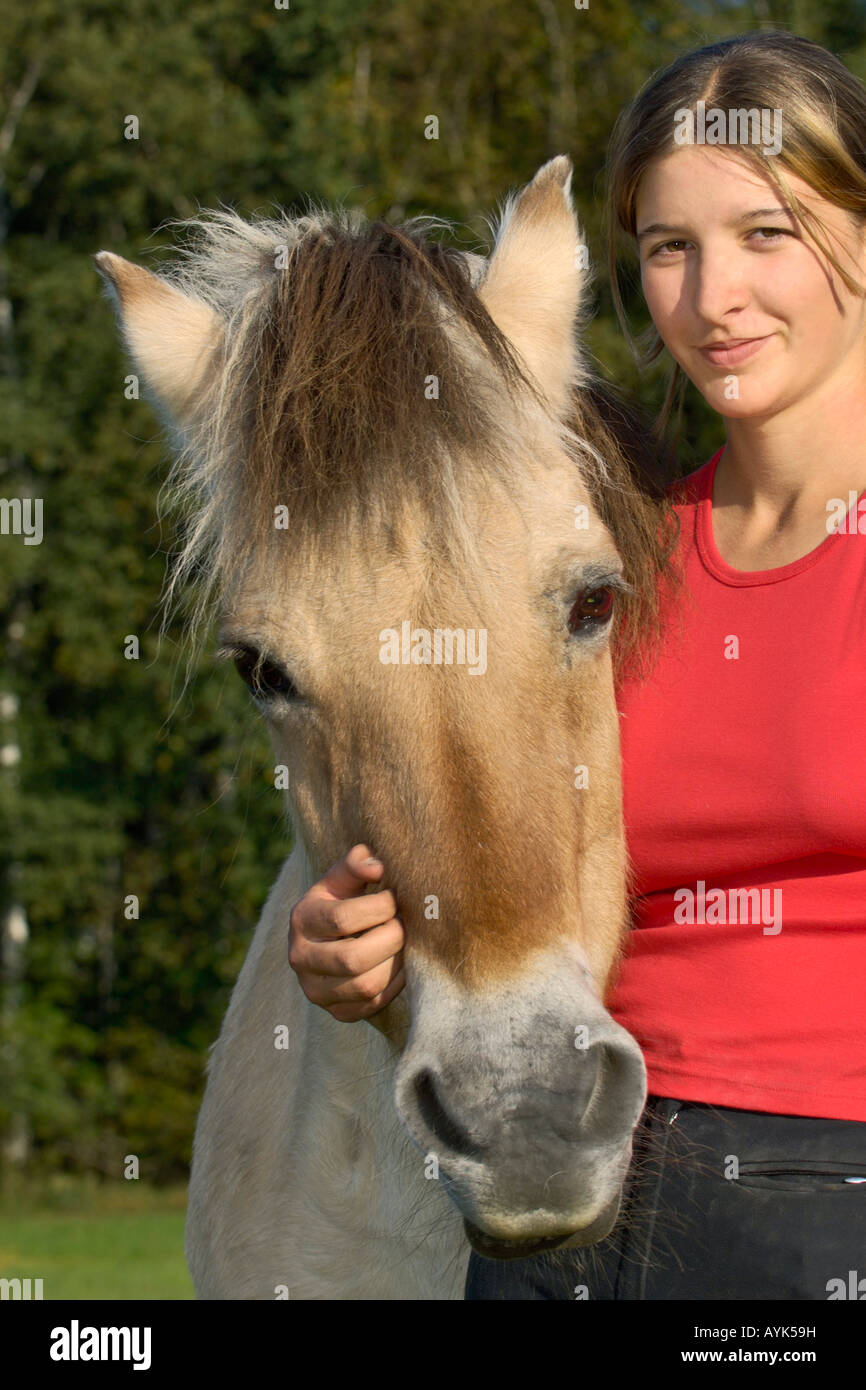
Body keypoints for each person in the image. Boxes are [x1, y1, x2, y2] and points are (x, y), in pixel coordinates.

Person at [287, 30, 866, 1299]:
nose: (711, 298)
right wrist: (358, 949)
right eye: (668, 248)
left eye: (767, 234)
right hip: (566, 1182)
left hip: (831, 1194)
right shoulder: (602, 572)